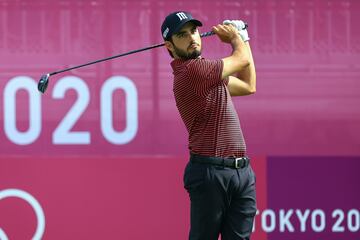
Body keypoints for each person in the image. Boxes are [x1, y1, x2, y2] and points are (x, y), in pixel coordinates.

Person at [161, 11, 257, 240]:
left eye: (193, 31)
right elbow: (241, 59)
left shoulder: (208, 73)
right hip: (210, 172)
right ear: (170, 46)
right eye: (182, 35)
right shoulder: (191, 72)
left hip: (241, 172)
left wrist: (243, 39)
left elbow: (248, 85)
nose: (192, 37)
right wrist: (237, 37)